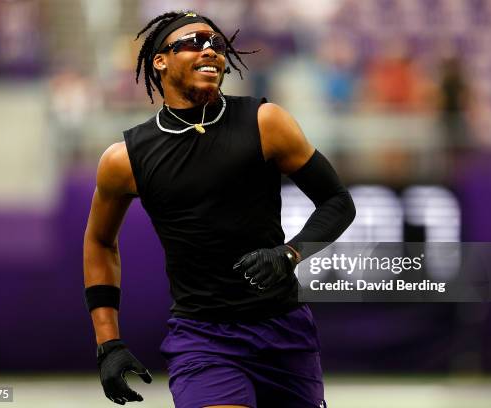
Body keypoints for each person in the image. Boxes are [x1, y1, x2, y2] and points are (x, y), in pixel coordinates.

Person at [83, 10, 356, 408]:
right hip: (203, 338)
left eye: (218, 45)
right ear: (160, 60)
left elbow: (337, 201)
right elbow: (99, 242)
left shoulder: (266, 122)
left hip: (284, 332)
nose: (211, 51)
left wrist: (290, 253)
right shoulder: (125, 159)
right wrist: (108, 343)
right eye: (194, 42)